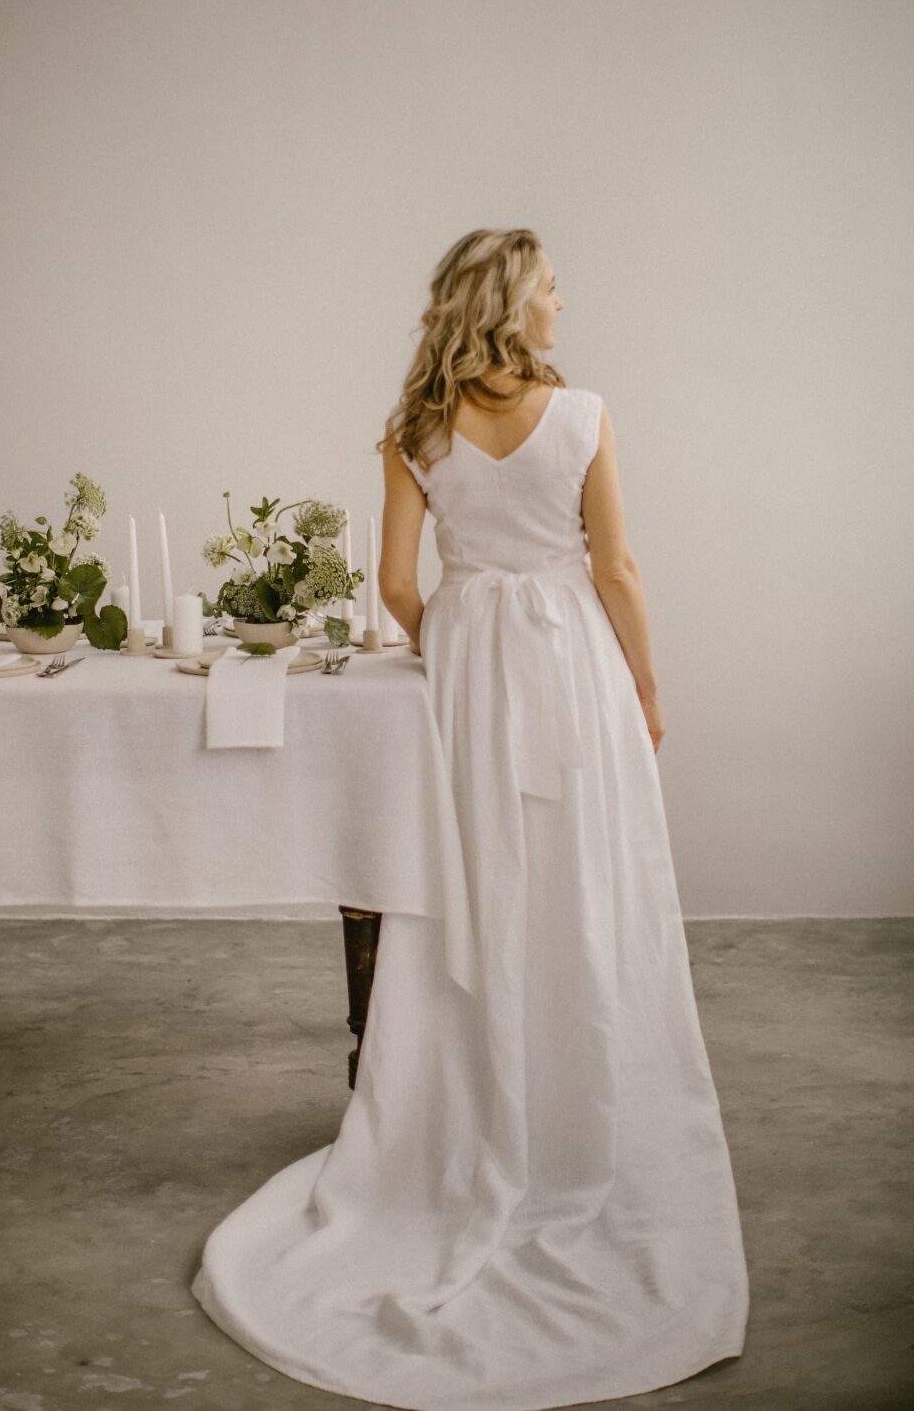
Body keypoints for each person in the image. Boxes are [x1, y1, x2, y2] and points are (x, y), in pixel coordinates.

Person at [191, 228, 750, 1408]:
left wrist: (461, 630)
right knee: (586, 887)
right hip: (572, 674)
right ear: (511, 302)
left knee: (477, 893)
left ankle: (466, 1113)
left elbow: (396, 588)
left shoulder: (414, 431)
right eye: (550, 283)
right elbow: (618, 569)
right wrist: (643, 686)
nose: (562, 298)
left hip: (474, 682)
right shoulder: (585, 413)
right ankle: (583, 1110)